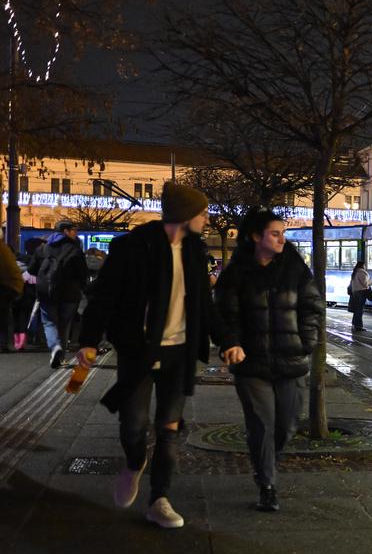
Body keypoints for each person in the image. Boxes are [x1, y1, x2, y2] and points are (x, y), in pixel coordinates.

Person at [76, 182, 244, 529]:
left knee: (169, 430)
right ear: (185, 215)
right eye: (203, 212)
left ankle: (159, 500)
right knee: (134, 425)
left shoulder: (195, 252)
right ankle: (134, 462)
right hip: (139, 351)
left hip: (179, 354)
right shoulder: (132, 248)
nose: (207, 218)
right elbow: (103, 297)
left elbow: (203, 306)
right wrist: (89, 340)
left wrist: (227, 340)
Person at [215, 210, 322, 512]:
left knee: (285, 426)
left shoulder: (295, 269)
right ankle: (267, 485)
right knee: (262, 424)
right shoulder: (236, 274)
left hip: (291, 360)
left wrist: (306, 344)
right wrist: (231, 343)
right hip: (252, 365)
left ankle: (265, 465)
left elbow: (312, 306)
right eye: (275, 233)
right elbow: (225, 316)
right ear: (255, 237)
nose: (281, 239)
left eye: (282, 233)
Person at [35, 219, 89, 368]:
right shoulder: (75, 250)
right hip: (70, 294)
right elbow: (82, 273)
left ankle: (55, 347)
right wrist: (84, 289)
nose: (76, 233)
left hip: (47, 292)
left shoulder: (43, 248)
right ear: (66, 231)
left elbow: (33, 269)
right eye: (74, 230)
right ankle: (61, 357)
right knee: (64, 325)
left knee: (49, 322)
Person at [0, 241, 21, 351]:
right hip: (4, 288)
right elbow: (12, 270)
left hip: (4, 288)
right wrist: (16, 288)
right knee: (3, 318)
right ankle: (2, 344)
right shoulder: (4, 249)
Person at [348, 257, 372, 332]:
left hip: (355, 292)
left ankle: (354, 324)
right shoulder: (362, 272)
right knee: (359, 310)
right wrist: (370, 282)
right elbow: (365, 284)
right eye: (364, 265)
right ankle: (359, 326)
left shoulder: (355, 272)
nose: (365, 267)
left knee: (356, 310)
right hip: (361, 292)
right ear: (362, 265)